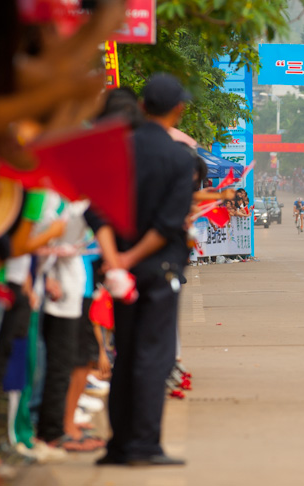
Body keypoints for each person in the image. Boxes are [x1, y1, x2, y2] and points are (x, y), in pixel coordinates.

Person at [98, 73, 194, 467]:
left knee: (125, 351)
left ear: (141, 107)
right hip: (157, 268)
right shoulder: (178, 157)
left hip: (121, 272)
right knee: (154, 355)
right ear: (178, 110)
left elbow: (97, 211)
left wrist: (114, 260)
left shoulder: (117, 151)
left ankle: (119, 444)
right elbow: (169, 223)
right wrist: (133, 258)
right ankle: (144, 443)